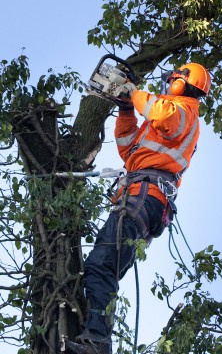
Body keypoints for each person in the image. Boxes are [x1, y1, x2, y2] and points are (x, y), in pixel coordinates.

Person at [66, 62, 211, 354]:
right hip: (141, 195)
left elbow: (161, 115)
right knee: (101, 268)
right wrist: (125, 110)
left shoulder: (182, 111)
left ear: (183, 82)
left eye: (174, 78)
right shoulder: (163, 114)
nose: (169, 81)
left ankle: (96, 342)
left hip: (146, 195)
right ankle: (91, 335)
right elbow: (127, 147)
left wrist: (134, 93)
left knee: (102, 263)